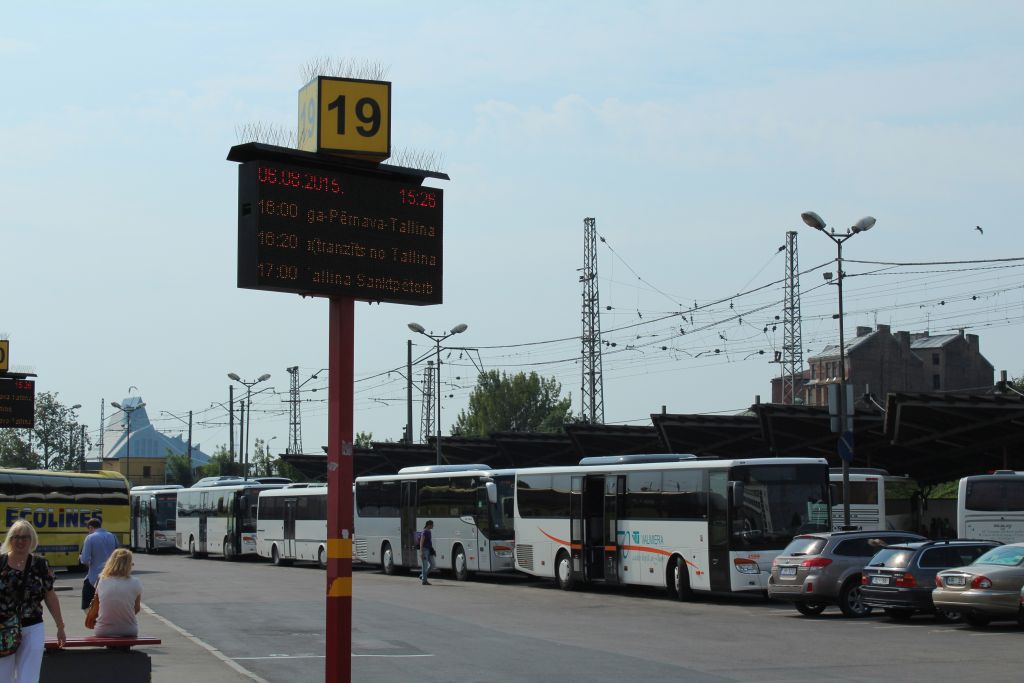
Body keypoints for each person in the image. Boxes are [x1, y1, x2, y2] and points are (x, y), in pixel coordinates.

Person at [0, 519, 66, 682]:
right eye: (16, 537)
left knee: (29, 677)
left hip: (33, 626)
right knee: (3, 676)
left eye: (25, 537)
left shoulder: (41, 564)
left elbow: (50, 595)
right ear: (10, 539)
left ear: (32, 540)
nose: (20, 541)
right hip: (3, 628)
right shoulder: (0, 562)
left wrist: (60, 626)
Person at [93, 548, 142, 638]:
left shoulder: (102, 580)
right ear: (129, 565)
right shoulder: (136, 582)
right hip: (129, 629)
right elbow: (137, 608)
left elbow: (97, 605)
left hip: (103, 630)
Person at [79, 518, 117, 611]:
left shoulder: (90, 537)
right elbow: (118, 554)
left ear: (91, 527)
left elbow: (85, 559)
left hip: (94, 578)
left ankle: (96, 624)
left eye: (88, 530)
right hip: (111, 576)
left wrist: (80, 557)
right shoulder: (112, 536)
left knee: (86, 606)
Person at [419, 520, 435, 586]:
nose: (433, 526)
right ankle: (424, 581)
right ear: (429, 525)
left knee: (432, 565)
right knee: (425, 566)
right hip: (424, 550)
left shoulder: (429, 531)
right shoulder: (424, 532)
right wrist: (421, 552)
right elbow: (421, 542)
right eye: (432, 525)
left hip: (429, 550)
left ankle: (422, 575)